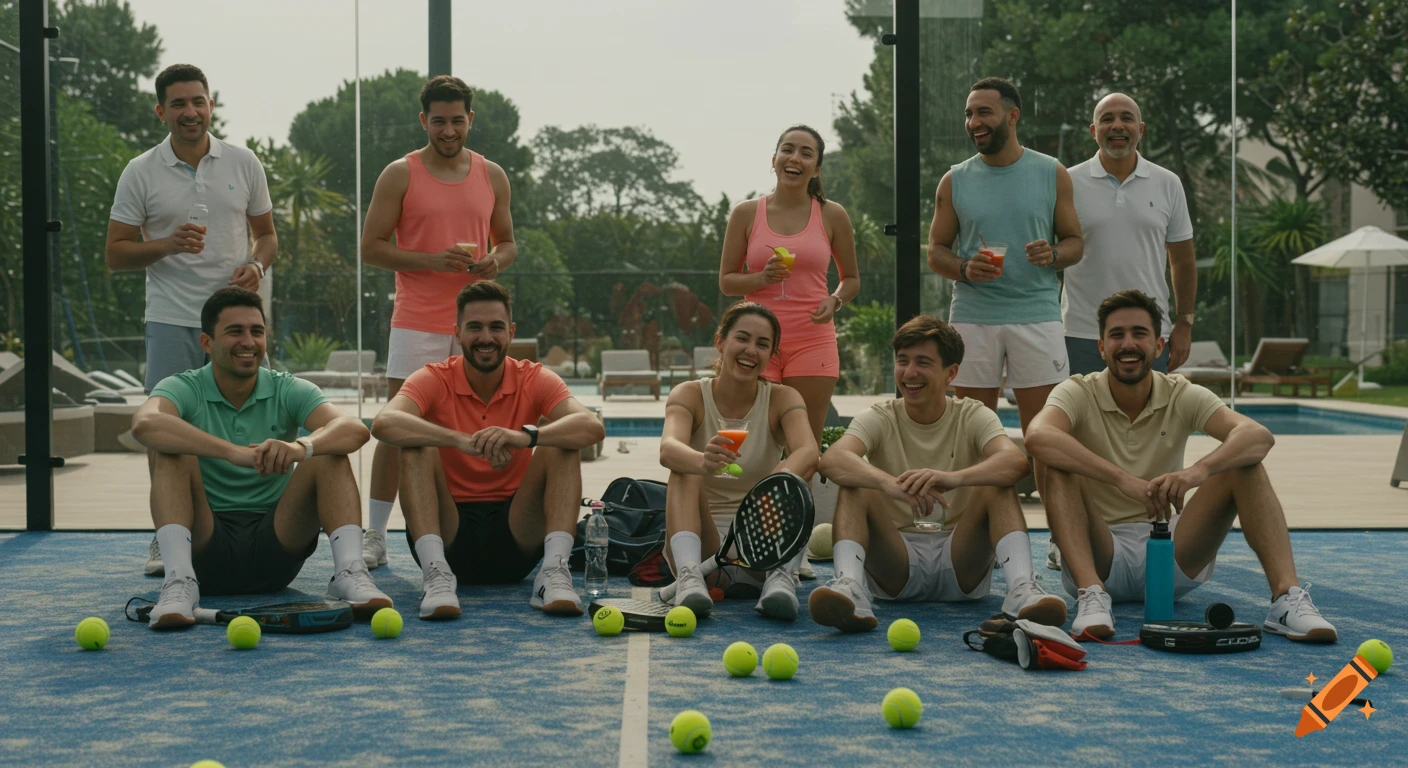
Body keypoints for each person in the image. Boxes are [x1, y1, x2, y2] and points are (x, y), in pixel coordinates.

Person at [1025, 290, 1337, 642]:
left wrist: (1195, 473)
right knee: (1058, 464)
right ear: (1101, 347)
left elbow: (1257, 435)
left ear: (1158, 346)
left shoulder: (1180, 392)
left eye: (1139, 334)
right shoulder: (1077, 391)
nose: (1128, 343)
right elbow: (1037, 437)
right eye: (1117, 335)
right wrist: (1122, 480)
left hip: (1170, 550)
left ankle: (1285, 598)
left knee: (1243, 464)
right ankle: (1091, 595)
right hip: (1099, 553)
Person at [106, 63, 278, 578]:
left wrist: (258, 264)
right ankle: (167, 538)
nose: (190, 112)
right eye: (178, 103)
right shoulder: (140, 170)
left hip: (238, 322)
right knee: (165, 432)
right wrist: (166, 244)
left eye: (198, 101)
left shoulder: (244, 162)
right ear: (161, 111)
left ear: (210, 105)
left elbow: (266, 236)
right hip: (172, 319)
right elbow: (116, 254)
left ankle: (253, 526)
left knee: (253, 424)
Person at [131, 288, 391, 628]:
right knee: (169, 448)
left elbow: (353, 428)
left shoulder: (287, 387)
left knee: (328, 453)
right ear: (206, 343)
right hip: (205, 548)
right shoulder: (183, 386)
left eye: (257, 331)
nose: (248, 341)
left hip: (277, 547)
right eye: (234, 331)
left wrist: (300, 448)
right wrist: (233, 453)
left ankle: (349, 572)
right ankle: (178, 582)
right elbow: (145, 423)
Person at [807, 315, 1067, 632]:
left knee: (996, 484)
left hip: (961, 559)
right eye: (902, 361)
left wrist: (952, 478)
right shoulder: (878, 416)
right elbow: (833, 459)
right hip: (895, 564)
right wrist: (888, 484)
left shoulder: (973, 414)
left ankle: (1022, 592)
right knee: (855, 485)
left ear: (951, 373)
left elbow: (1016, 463)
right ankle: (848, 587)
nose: (910, 372)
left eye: (923, 362)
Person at [370, 281, 604, 620]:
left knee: (561, 443)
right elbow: (384, 423)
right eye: (474, 327)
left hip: (517, 533)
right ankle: (435, 576)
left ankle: (553, 572)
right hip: (449, 535)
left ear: (510, 332)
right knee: (415, 445)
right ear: (457, 332)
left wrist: (527, 436)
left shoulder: (534, 378)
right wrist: (459, 440)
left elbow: (592, 428)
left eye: (496, 327)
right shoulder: (433, 377)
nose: (486, 338)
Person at [360, 75, 517, 571]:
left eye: (457, 120)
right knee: (396, 427)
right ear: (423, 120)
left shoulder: (492, 175)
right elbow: (371, 248)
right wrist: (433, 260)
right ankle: (375, 534)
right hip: (417, 322)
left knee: (483, 425)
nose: (448, 130)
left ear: (470, 120)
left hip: (477, 324)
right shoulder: (398, 174)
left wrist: (496, 261)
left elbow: (509, 242)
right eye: (438, 121)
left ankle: (477, 527)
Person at [1047, 92, 1199, 572]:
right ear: (1092, 131)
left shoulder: (1167, 183)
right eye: (1106, 119)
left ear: (1141, 129)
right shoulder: (1066, 182)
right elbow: (1053, 253)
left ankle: (1152, 527)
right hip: (1078, 332)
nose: (1117, 126)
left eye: (1126, 118)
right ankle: (1066, 539)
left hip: (1146, 334)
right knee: (1079, 441)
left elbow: (1183, 259)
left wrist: (1184, 324)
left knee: (1149, 434)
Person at [925, 76, 1083, 497]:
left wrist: (1053, 254)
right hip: (973, 320)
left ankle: (1058, 534)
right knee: (971, 434)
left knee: (1045, 436)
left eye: (983, 112)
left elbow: (1075, 243)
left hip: (1038, 317)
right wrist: (964, 267)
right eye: (969, 114)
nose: (973, 121)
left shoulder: (1052, 172)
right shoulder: (954, 180)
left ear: (1012, 116)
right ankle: (973, 533)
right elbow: (936, 251)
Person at [658, 303, 820, 621]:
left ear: (772, 354)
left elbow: (808, 451)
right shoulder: (688, 394)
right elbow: (668, 448)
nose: (750, 350)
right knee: (685, 469)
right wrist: (701, 460)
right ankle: (689, 579)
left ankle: (781, 577)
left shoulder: (783, 398)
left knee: (799, 474)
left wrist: (775, 483)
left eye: (762, 344)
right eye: (742, 338)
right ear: (721, 341)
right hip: (704, 551)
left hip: (766, 545)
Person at [718, 125, 859, 445]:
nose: (795, 158)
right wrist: (761, 278)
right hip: (756, 342)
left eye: (806, 153)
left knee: (803, 445)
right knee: (751, 443)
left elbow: (851, 279)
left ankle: (798, 497)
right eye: (788, 149)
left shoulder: (832, 215)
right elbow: (727, 282)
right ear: (774, 159)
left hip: (813, 340)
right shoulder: (746, 213)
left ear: (816, 168)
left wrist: (835, 300)